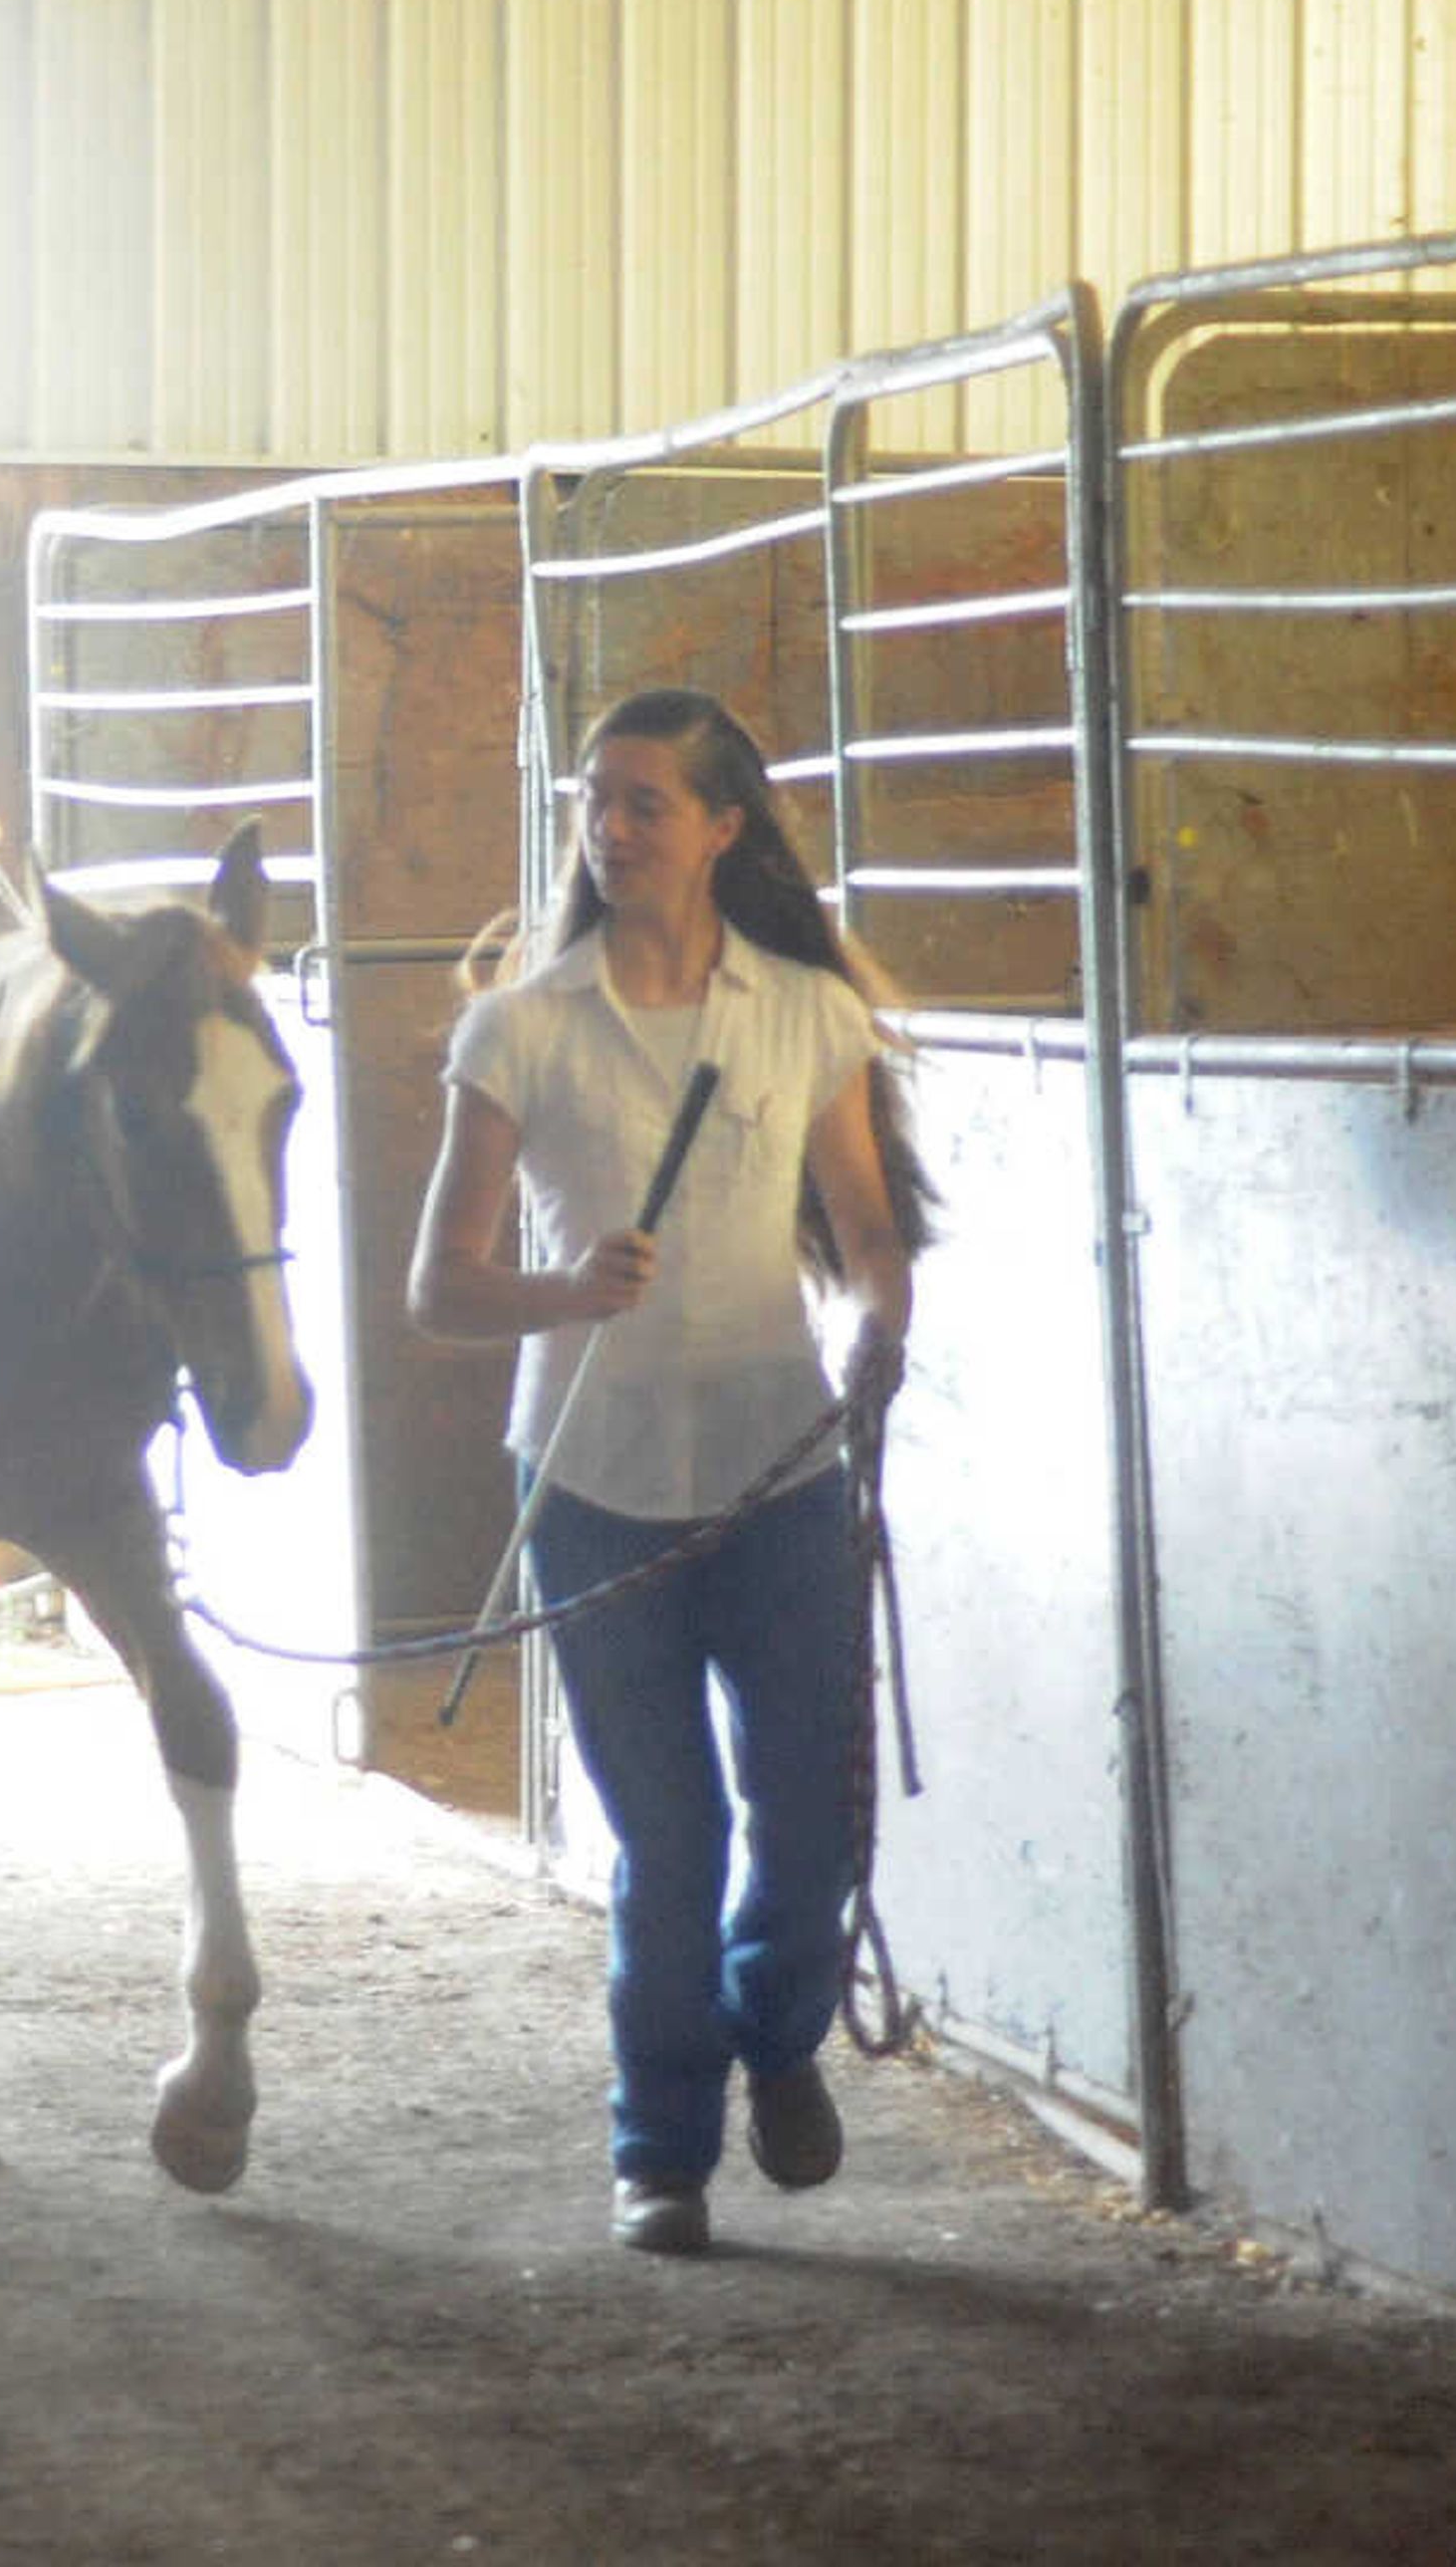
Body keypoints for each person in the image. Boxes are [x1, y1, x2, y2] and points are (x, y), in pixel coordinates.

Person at [405, 687, 930, 2257]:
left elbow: (869, 1228)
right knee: (673, 1836)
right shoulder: (518, 1028)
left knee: (814, 1817)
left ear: (723, 828)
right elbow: (440, 1288)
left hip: (776, 1466)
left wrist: (882, 1335)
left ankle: (776, 2025)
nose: (613, 827)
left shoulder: (803, 1015)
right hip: (592, 1480)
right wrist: (569, 1290)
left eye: (646, 802)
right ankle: (663, 2146)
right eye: (597, 800)